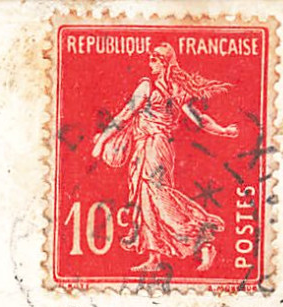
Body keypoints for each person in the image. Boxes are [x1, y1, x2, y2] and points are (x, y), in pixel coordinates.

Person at [91, 43, 240, 274]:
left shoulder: (149, 87)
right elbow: (199, 118)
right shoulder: (173, 88)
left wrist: (102, 141)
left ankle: (202, 238)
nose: (150, 63)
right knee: (145, 198)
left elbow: (125, 115)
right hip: (147, 146)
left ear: (164, 63)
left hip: (154, 146)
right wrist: (223, 130)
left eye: (154, 59)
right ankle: (154, 256)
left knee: (158, 196)